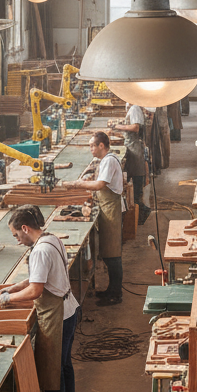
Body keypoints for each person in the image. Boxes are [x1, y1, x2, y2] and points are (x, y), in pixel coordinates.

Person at [0, 205, 79, 392]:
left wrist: (9, 299)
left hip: (57, 316)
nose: (17, 240)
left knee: (52, 374)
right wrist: (15, 287)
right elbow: (38, 275)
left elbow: (36, 289)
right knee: (64, 368)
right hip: (69, 309)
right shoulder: (51, 239)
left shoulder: (40, 251)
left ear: (25, 228)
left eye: (16, 235)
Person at [65, 130, 123, 306]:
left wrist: (77, 184)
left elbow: (99, 185)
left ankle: (115, 294)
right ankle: (111, 290)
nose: (90, 149)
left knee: (112, 255)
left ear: (101, 146)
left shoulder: (109, 161)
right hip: (107, 208)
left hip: (110, 210)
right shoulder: (105, 160)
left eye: (92, 145)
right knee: (107, 253)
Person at [115, 102, 151, 224]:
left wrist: (118, 126)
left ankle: (141, 214)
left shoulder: (135, 108)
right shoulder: (133, 107)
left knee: (136, 184)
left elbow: (135, 127)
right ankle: (137, 214)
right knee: (133, 183)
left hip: (135, 149)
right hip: (132, 147)